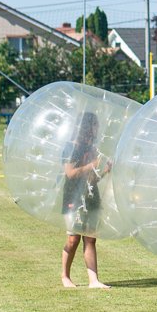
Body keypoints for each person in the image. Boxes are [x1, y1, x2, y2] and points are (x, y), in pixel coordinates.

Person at [59, 110, 112, 288]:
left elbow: (92, 178)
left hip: (90, 196)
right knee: (73, 239)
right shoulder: (71, 147)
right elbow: (70, 173)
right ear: (85, 127)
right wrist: (91, 164)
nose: (96, 129)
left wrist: (104, 171)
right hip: (73, 196)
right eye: (94, 125)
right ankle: (65, 276)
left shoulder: (92, 148)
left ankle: (93, 280)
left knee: (90, 238)